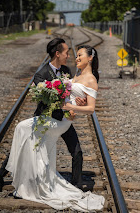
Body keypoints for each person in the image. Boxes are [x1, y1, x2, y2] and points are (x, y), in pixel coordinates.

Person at [5, 43, 105, 211]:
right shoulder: (77, 75)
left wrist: (73, 107)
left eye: (80, 55)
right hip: (60, 117)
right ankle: (34, 179)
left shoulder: (91, 79)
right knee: (35, 141)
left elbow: (91, 108)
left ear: (90, 58)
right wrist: (70, 101)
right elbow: (69, 94)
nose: (76, 58)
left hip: (62, 121)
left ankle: (24, 175)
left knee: (22, 127)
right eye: (76, 55)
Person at [33, 38, 84, 189]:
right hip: (45, 118)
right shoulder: (40, 75)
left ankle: (77, 185)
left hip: (62, 119)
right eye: (67, 53)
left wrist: (76, 102)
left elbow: (70, 94)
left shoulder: (66, 71)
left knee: (77, 152)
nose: (69, 56)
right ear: (57, 54)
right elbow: (45, 100)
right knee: (24, 145)